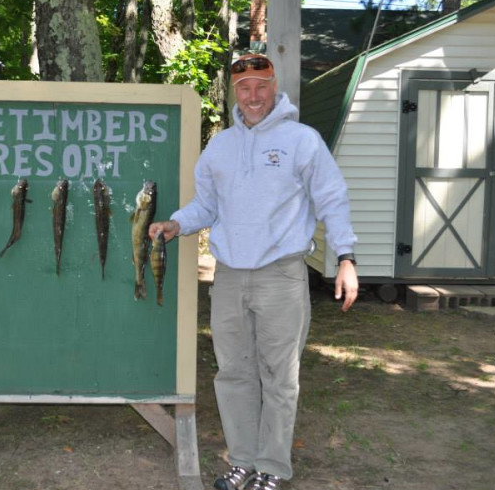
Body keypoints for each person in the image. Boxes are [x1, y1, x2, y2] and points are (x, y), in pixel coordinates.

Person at [148, 53, 359, 490]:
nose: (253, 96)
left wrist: (345, 258)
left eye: (261, 86)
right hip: (228, 278)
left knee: (279, 377)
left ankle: (272, 468)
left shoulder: (302, 140)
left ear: (274, 85)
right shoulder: (220, 146)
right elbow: (207, 206)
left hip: (280, 276)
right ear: (234, 92)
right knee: (233, 374)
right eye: (244, 88)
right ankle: (242, 460)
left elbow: (332, 199)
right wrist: (176, 223)